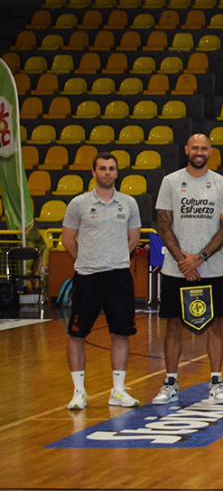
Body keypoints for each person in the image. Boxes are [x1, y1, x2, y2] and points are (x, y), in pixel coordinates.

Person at [152, 133, 223, 406]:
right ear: (186, 150)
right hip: (176, 270)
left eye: (204, 148)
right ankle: (170, 382)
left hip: (211, 269)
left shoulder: (222, 184)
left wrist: (198, 258)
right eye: (195, 147)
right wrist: (182, 260)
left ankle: (216, 382)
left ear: (210, 152)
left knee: (214, 325)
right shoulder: (171, 182)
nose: (199, 152)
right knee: (173, 326)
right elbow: (163, 225)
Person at [62, 152, 142, 409]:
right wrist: (87, 260)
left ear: (117, 173)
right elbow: (67, 239)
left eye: (111, 168)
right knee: (77, 334)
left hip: (118, 277)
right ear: (93, 172)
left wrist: (114, 258)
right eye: (102, 168)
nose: (107, 172)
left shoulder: (128, 203)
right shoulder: (78, 204)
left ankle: (118, 391)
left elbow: (133, 239)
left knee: (121, 333)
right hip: (87, 277)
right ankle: (78, 393)